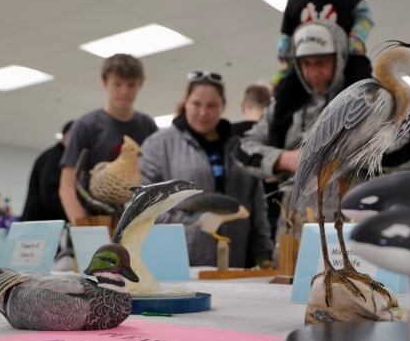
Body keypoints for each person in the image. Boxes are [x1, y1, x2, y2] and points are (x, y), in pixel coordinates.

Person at [236, 21, 410, 230]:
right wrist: (284, 159)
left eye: (321, 62)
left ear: (339, 58)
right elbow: (244, 148)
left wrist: (346, 153)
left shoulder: (373, 99)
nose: (313, 72)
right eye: (306, 64)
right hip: (295, 225)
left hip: (351, 221)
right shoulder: (284, 108)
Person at [139, 71, 273, 268]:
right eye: (196, 104)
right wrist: (193, 224)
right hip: (181, 264)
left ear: (223, 106)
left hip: (235, 265)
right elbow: (146, 206)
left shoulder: (241, 148)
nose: (203, 112)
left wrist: (264, 256)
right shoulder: (158, 145)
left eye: (212, 106)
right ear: (185, 102)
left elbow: (258, 210)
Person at [59, 54, 158, 225]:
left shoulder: (147, 125)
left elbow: (156, 179)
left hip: (137, 223)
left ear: (140, 85)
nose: (124, 91)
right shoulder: (85, 125)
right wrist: (84, 228)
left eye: (131, 85)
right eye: (117, 84)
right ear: (105, 83)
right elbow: (67, 186)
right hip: (97, 219)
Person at [22, 121, 73, 222]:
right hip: (42, 224)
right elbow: (50, 194)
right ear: (65, 136)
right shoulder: (54, 158)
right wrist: (74, 215)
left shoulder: (56, 156)